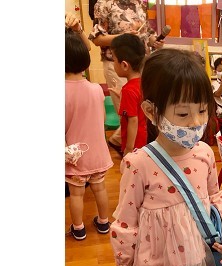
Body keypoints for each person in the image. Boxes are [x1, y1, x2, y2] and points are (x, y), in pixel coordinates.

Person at [109, 49, 222, 266]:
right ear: (150, 111)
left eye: (202, 110)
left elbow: (214, 196)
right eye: (183, 113)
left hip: (199, 257)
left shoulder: (205, 153)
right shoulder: (139, 164)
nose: (196, 122)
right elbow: (126, 222)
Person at [89, 0, 165, 148]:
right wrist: (124, 37)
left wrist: (154, 41)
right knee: (130, 116)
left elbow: (146, 34)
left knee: (141, 111)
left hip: (140, 64)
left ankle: (125, 143)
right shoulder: (105, 3)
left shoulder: (140, 3)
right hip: (118, 64)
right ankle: (128, 147)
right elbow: (97, 39)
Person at [65, 29, 114, 240]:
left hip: (75, 155)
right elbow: (101, 118)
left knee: (76, 194)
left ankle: (78, 228)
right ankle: (103, 223)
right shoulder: (96, 89)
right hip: (98, 153)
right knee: (100, 189)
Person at [109, 34, 148, 157]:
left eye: (114, 60)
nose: (113, 64)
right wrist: (121, 95)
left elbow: (133, 120)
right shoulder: (142, 83)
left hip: (134, 143)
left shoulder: (128, 90)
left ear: (124, 65)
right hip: (143, 138)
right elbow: (137, 104)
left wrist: (128, 148)